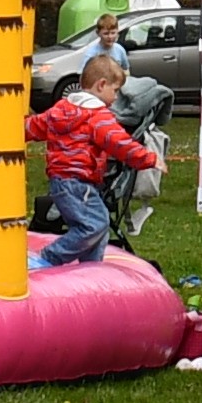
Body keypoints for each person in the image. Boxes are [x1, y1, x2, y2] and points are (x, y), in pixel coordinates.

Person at [30, 66, 141, 268]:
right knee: (94, 225)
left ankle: (91, 268)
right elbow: (118, 142)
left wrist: (11, 130)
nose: (116, 98)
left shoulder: (60, 110)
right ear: (101, 85)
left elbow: (35, 125)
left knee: (96, 224)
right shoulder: (98, 116)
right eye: (115, 90)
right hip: (77, 182)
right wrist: (147, 158)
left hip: (63, 181)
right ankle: (50, 257)